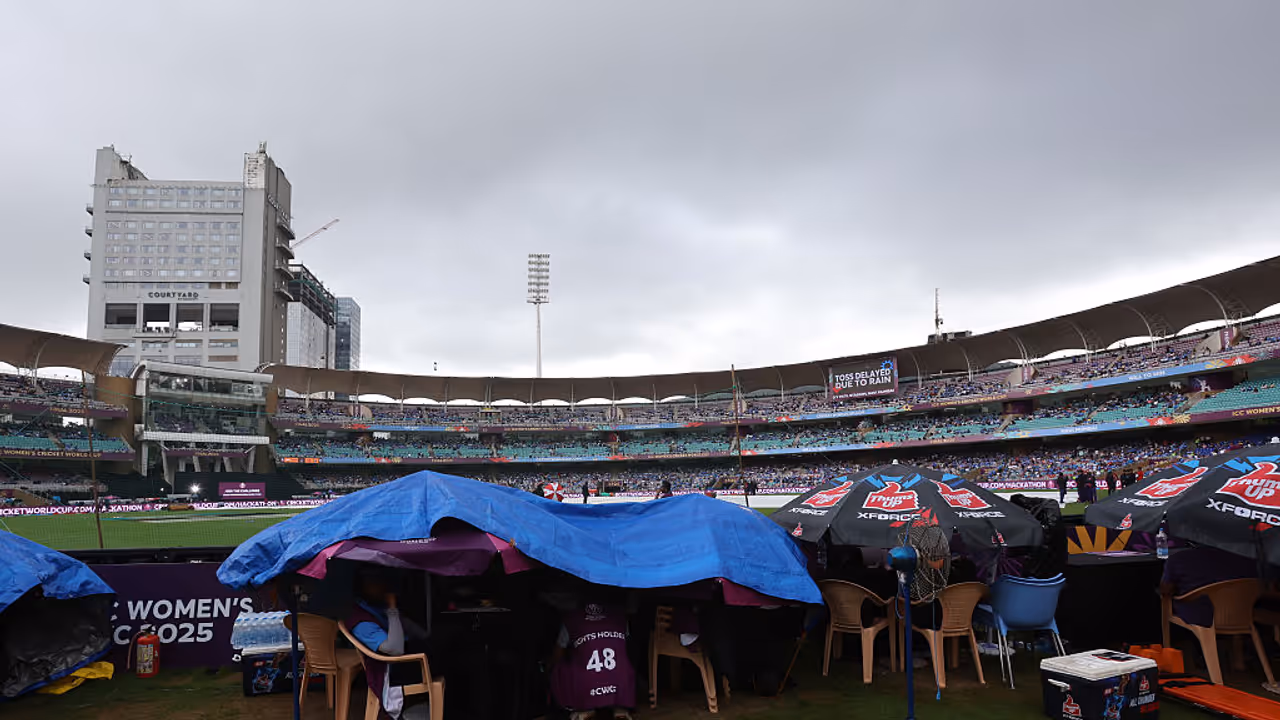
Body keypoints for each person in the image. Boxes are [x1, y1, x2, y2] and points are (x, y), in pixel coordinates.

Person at [550, 601, 635, 720]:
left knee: (560, 666)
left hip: (586, 686)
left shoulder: (571, 618)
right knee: (623, 662)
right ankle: (620, 710)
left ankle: (585, 710)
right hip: (620, 685)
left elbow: (557, 654)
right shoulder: (619, 616)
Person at [1160, 545, 1257, 627]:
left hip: (1199, 616)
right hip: (1243, 614)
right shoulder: (1247, 557)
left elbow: (1166, 590)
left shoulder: (1177, 559)